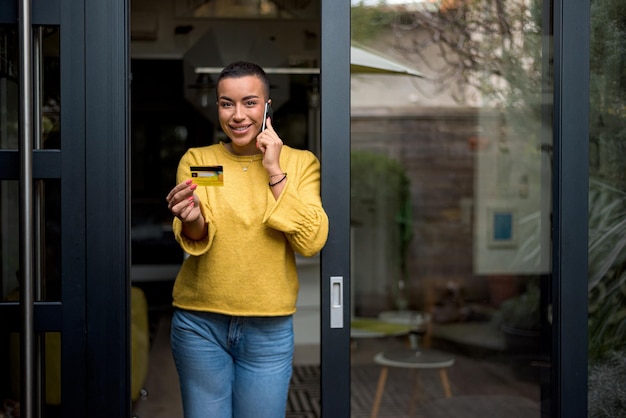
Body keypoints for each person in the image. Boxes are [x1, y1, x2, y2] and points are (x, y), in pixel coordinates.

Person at [165, 61, 329, 418]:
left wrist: (273, 169)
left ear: (268, 105)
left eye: (250, 102)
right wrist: (192, 220)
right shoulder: (200, 161)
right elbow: (197, 232)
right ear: (218, 106)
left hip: (268, 327)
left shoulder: (300, 164)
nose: (238, 115)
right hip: (199, 322)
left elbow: (312, 240)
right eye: (227, 103)